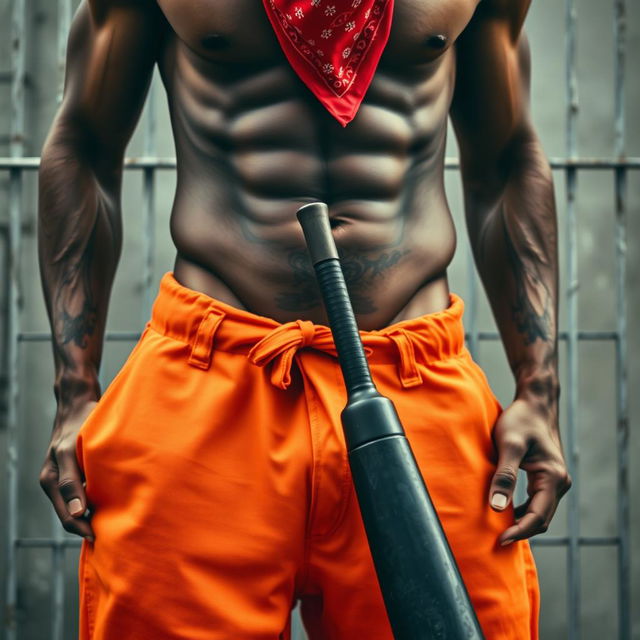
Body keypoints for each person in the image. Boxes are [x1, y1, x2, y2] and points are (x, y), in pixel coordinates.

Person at [37, 0, 571, 637]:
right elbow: (85, 149)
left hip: (415, 378)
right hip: (211, 376)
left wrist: (539, 391)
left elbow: (508, 158)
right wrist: (75, 393)